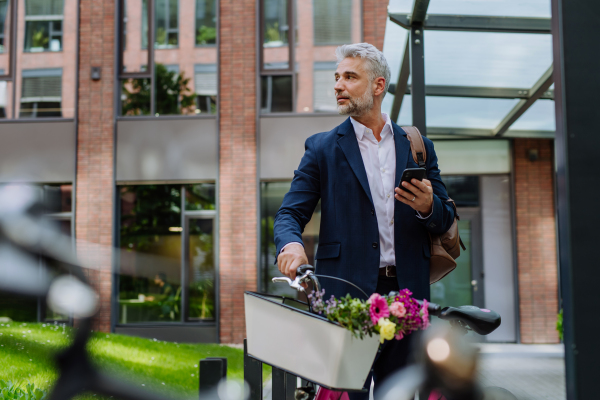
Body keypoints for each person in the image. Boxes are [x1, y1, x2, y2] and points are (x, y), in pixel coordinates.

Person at [273, 43, 455, 399]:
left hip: (407, 298)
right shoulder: (322, 148)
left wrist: (428, 206)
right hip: (346, 299)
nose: (338, 85)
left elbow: (446, 218)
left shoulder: (418, 146)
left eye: (350, 77)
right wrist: (291, 244)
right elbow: (289, 214)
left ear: (378, 85)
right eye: (337, 77)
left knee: (399, 393)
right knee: (345, 394)